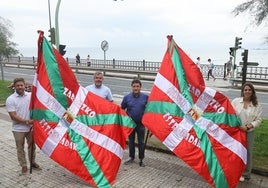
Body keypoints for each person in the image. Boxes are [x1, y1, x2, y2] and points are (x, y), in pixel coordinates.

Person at [6, 78, 41, 174]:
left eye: (21, 85)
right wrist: (27, 121)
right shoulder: (10, 99)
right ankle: (24, 165)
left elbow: (38, 105)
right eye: (17, 85)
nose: (20, 87)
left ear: (24, 85)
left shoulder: (30, 96)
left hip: (30, 128)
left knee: (32, 147)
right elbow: (13, 116)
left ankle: (32, 162)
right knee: (20, 148)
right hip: (18, 129)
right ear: (14, 87)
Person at [231, 82, 262, 182]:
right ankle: (235, 171)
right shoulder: (236, 101)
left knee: (247, 152)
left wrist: (248, 126)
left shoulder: (257, 105)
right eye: (245, 90)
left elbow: (259, 120)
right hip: (236, 131)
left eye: (249, 90)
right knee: (236, 151)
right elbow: (230, 112)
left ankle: (246, 174)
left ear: (252, 92)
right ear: (243, 91)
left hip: (248, 132)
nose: (247, 91)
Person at [121, 79, 148, 167]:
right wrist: (125, 120)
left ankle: (141, 159)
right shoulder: (127, 97)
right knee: (131, 141)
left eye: (137, 86)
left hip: (141, 124)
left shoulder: (145, 97)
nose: (136, 88)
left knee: (141, 142)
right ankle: (131, 157)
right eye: (134, 86)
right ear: (131, 87)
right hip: (131, 124)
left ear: (140, 87)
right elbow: (122, 109)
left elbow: (150, 109)